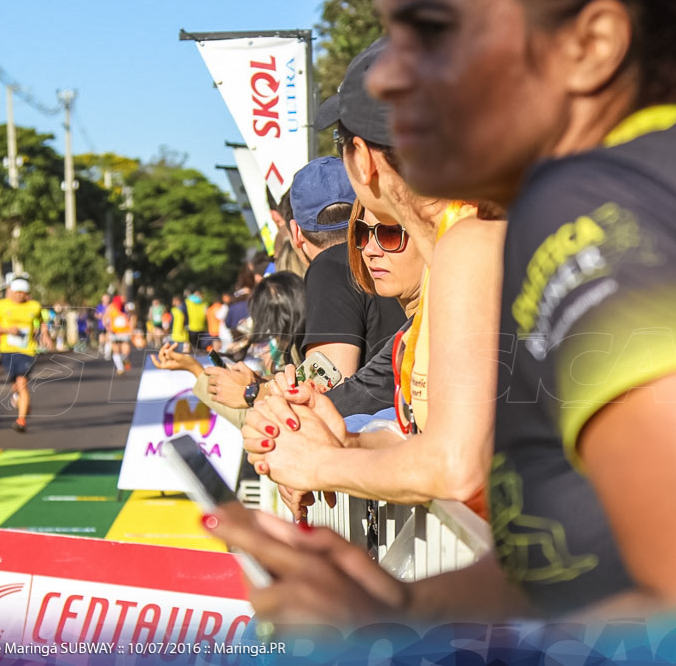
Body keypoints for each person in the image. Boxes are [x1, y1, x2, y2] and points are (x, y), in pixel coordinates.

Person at [211, 0, 676, 625]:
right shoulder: (663, 176)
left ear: (593, 45)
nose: (388, 82)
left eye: (434, 37)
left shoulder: (589, 214)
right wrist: (398, 606)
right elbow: (601, 552)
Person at [242, 41, 506, 520]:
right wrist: (347, 442)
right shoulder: (467, 240)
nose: (368, 247)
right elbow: (433, 440)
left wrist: (318, 464)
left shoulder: (470, 244)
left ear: (362, 159)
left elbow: (457, 466)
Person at [288, 156, 406, 379]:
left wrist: (253, 391)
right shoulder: (394, 253)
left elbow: (326, 388)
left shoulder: (327, 268)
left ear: (296, 233)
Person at [151, 272, 307, 429]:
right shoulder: (303, 365)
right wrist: (259, 384)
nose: (263, 349)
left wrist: (250, 393)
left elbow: (248, 418)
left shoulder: (304, 379)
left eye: (266, 338)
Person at [0, 277, 49, 432]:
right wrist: (8, 330)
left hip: (27, 350)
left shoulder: (34, 306)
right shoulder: (0, 306)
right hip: (7, 350)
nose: (19, 296)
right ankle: (23, 403)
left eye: (23, 293)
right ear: (11, 292)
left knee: (22, 382)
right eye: (17, 293)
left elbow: (41, 321)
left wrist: (45, 334)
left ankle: (21, 420)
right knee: (14, 384)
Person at [103, 295, 134, 375]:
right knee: (116, 350)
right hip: (114, 332)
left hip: (125, 332)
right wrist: (107, 328)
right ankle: (120, 368)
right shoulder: (111, 307)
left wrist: (131, 328)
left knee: (125, 350)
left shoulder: (126, 307)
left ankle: (125, 359)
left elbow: (132, 317)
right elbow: (105, 318)